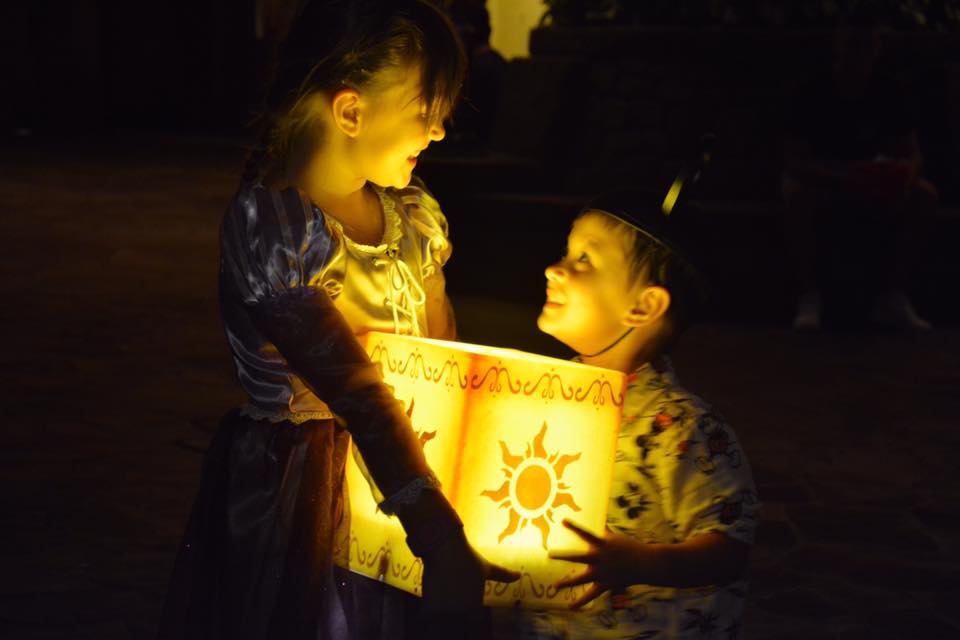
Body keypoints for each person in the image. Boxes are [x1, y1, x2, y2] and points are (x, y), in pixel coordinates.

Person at [158, 2, 518, 639]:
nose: (437, 132)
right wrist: (434, 531)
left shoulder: (414, 220)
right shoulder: (275, 232)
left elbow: (443, 361)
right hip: (306, 494)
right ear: (351, 111)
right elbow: (354, 390)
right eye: (424, 111)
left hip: (413, 474)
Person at [507, 190, 759, 638]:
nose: (554, 268)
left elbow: (729, 546)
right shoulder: (539, 397)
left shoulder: (680, 426)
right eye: (567, 252)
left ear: (643, 306)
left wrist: (640, 562)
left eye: (584, 260)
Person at [783, 26, 937, 331]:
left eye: (866, 48)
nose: (859, 58)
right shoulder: (813, 91)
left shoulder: (889, 90)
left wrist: (903, 176)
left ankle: (893, 294)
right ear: (837, 51)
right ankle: (809, 293)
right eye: (852, 48)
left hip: (876, 179)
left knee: (924, 196)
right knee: (795, 195)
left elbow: (913, 153)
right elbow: (793, 161)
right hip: (823, 179)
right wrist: (840, 176)